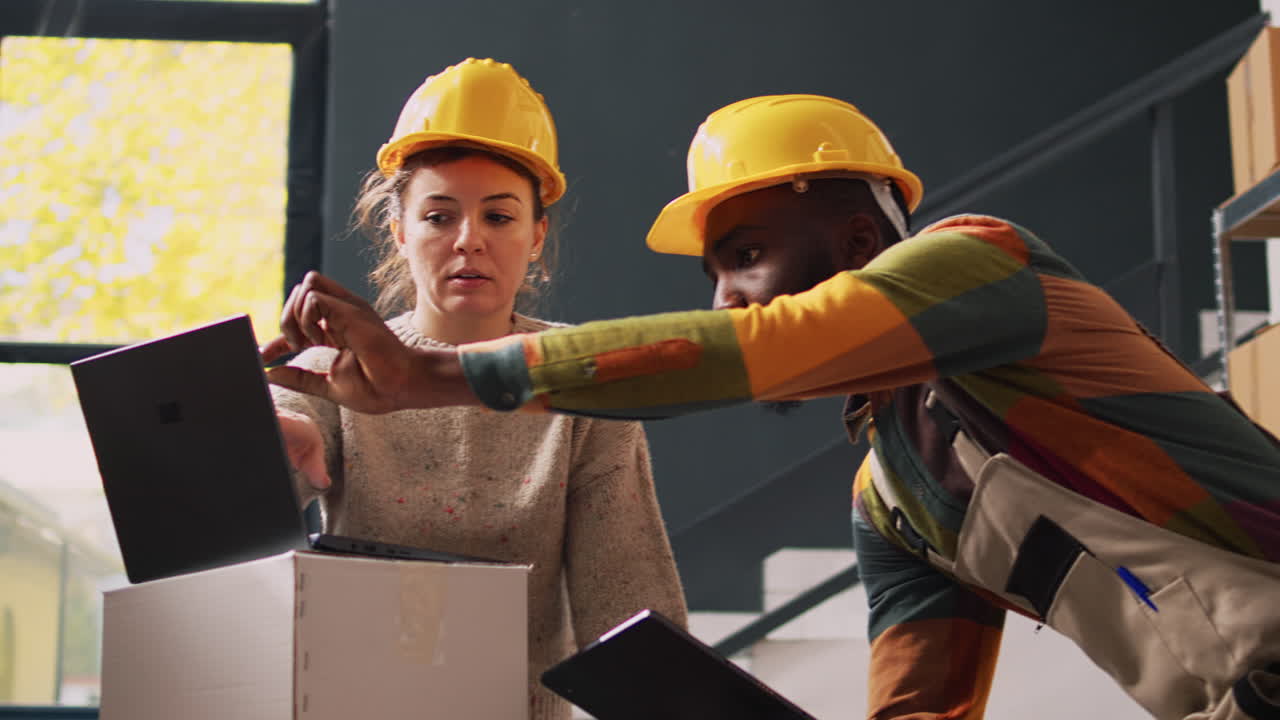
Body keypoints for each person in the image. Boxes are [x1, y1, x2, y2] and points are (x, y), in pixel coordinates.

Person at [263, 92, 1280, 720]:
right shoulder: (895, 500)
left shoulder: (985, 266)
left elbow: (762, 348)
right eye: (715, 272)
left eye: (743, 257)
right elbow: (920, 707)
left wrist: (434, 376)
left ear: (849, 241)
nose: (724, 299)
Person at [268, 58, 687, 720]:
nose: (470, 241)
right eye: (439, 217)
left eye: (498, 216)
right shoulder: (336, 368)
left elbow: (626, 590)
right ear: (400, 231)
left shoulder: (580, 380)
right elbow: (266, 472)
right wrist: (270, 445)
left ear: (536, 233)